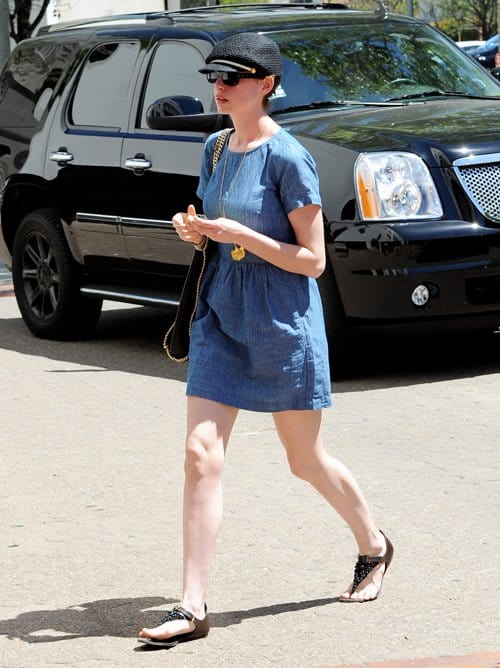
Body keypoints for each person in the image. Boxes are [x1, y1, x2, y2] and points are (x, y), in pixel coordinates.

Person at [137, 32, 393, 648]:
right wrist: (194, 230)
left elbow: (313, 261)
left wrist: (238, 234)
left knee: (304, 460)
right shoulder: (217, 147)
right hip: (222, 314)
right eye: (214, 78)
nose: (218, 87)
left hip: (282, 323)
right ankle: (193, 606)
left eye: (231, 77)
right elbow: (216, 228)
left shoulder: (289, 158)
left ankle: (375, 545)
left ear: (267, 85)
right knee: (201, 455)